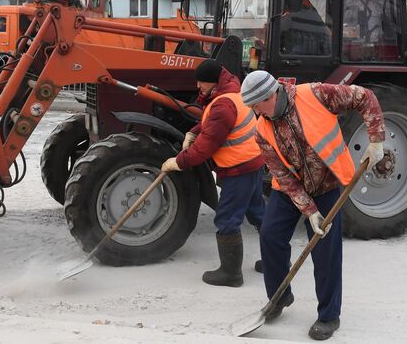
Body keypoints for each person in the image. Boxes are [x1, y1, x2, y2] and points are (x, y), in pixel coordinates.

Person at [239, 70, 385, 341]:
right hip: (290, 189)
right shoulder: (262, 128)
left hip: (327, 185)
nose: (255, 111)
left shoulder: (315, 94)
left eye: (257, 105)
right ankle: (279, 298)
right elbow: (280, 174)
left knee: (325, 249)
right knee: (270, 235)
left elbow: (366, 97)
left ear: (271, 95)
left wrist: (376, 140)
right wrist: (309, 211)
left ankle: (329, 316)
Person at [162, 59, 266, 287]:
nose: (198, 86)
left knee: (227, 218)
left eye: (201, 82)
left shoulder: (222, 105)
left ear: (213, 83)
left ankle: (231, 274)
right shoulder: (233, 93)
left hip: (238, 169)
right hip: (254, 162)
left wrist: (178, 162)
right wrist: (193, 131)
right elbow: (214, 121)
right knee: (258, 212)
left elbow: (206, 147)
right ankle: (275, 259)